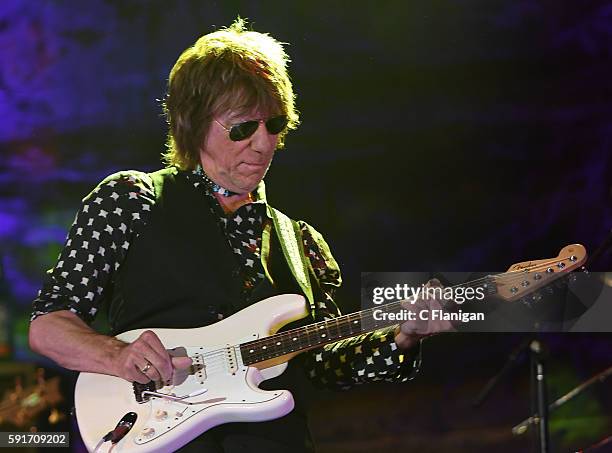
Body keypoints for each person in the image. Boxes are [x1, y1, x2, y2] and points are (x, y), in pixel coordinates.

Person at [29, 18, 450, 452]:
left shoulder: (300, 242)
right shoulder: (131, 199)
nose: (264, 143)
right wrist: (117, 356)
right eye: (242, 127)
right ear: (192, 123)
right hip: (158, 433)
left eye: (275, 125)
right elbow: (49, 326)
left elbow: (323, 365)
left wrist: (403, 336)